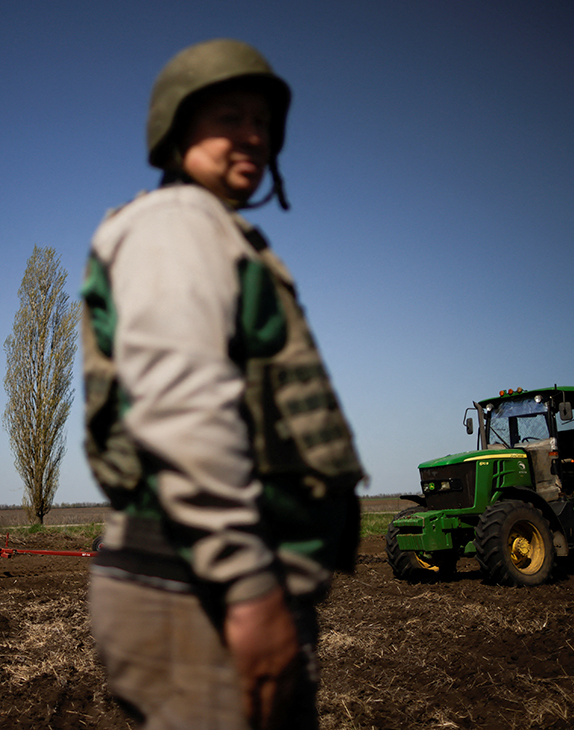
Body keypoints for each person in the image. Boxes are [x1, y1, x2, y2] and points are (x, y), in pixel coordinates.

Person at [81, 38, 366, 730]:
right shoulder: (177, 224)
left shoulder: (212, 232)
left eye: (263, 123)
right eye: (230, 117)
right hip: (192, 587)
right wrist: (245, 585)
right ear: (177, 131)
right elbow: (182, 406)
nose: (253, 135)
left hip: (204, 582)